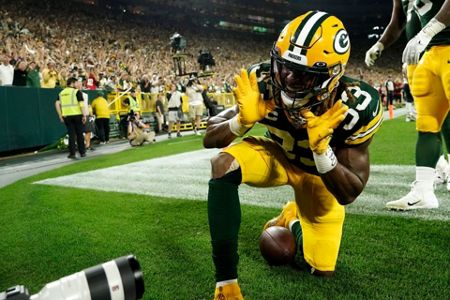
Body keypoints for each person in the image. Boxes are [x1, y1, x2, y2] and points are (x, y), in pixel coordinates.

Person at [203, 11, 382, 299]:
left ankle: (292, 220)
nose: (287, 77)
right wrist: (240, 123)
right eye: (284, 67)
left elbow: (350, 192)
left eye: (302, 74)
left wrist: (322, 151)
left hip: (320, 176)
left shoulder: (355, 105)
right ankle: (226, 283)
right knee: (223, 164)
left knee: (322, 269)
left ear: (331, 77)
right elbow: (209, 137)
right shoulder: (262, 81)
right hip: (277, 158)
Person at [366, 0, 450, 209]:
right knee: (427, 124)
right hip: (429, 54)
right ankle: (424, 191)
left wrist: (425, 33)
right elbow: (398, 21)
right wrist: (380, 44)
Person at [55, 77, 87, 159]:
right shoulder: (76, 92)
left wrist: (60, 115)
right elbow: (81, 105)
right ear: (72, 83)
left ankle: (72, 153)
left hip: (67, 116)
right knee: (80, 134)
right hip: (77, 115)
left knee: (71, 135)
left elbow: (57, 104)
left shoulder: (61, 93)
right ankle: (82, 152)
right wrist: (84, 115)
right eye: (76, 83)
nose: (77, 84)